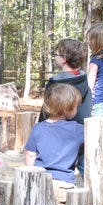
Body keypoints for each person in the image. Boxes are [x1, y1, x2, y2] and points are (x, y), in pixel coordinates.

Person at [38, 39, 90, 175]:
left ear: (64, 59)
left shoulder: (55, 84)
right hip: (81, 132)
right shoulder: (84, 80)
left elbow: (47, 110)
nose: (55, 57)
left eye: (56, 55)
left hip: (58, 137)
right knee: (84, 166)